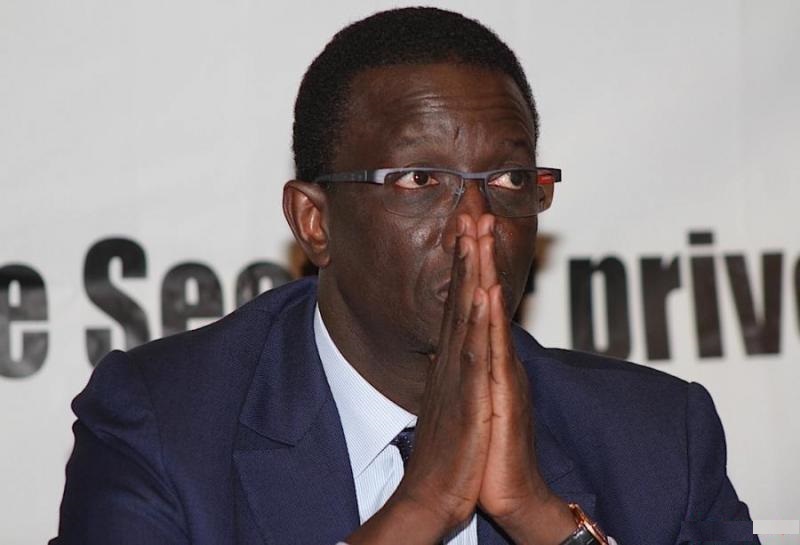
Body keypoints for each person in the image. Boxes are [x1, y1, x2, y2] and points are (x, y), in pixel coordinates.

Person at [51, 7, 758, 545]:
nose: (477, 223)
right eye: (421, 179)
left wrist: (539, 516)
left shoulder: (656, 439)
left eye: (510, 178)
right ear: (314, 221)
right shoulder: (165, 427)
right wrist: (421, 508)